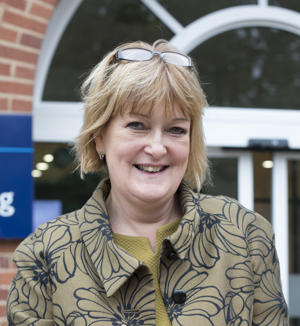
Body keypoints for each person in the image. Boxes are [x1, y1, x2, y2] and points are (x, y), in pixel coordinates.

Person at [7, 40, 287, 325]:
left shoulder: (245, 235)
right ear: (100, 136)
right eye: (137, 125)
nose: (157, 147)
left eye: (175, 129)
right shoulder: (47, 253)